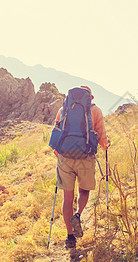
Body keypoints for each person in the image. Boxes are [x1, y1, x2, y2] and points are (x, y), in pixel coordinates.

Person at [54, 86, 110, 248]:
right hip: (86, 157)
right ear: (90, 97)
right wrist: (105, 145)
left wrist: (58, 153)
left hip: (65, 158)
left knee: (67, 198)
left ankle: (70, 237)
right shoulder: (95, 111)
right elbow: (101, 134)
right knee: (84, 191)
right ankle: (78, 215)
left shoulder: (63, 109)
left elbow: (56, 131)